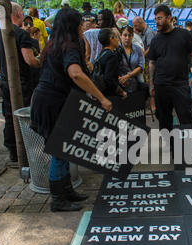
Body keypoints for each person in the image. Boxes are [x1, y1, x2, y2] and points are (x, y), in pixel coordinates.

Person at [30, 8, 112, 212]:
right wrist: (101, 97)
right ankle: (58, 199)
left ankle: (66, 191)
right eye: (80, 23)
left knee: (64, 149)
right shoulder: (70, 47)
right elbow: (75, 74)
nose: (83, 26)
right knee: (60, 152)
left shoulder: (53, 44)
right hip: (53, 103)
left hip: (48, 100)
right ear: (73, 25)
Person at [0, 2, 40, 162]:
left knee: (9, 116)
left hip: (6, 82)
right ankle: (26, 149)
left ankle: (13, 150)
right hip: (23, 84)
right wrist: (41, 60)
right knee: (25, 115)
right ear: (18, 14)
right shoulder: (20, 34)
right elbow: (30, 60)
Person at [148, 4, 192, 134]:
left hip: (179, 84)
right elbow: (152, 63)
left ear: (169, 17)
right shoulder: (155, 40)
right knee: (164, 119)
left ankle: (189, 146)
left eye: (159, 18)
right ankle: (169, 146)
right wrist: (151, 84)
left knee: (186, 116)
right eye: (155, 19)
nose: (157, 22)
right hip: (161, 84)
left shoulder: (184, 34)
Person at [96, 28, 127, 98]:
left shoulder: (102, 53)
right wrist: (120, 91)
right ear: (111, 39)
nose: (118, 40)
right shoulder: (111, 56)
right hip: (109, 95)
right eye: (116, 37)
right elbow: (108, 78)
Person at [118, 25, 144, 94]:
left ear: (132, 36)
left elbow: (141, 66)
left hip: (135, 83)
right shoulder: (116, 49)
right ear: (120, 36)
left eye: (130, 35)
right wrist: (121, 79)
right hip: (120, 84)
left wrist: (128, 76)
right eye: (125, 35)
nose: (127, 38)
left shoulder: (138, 49)